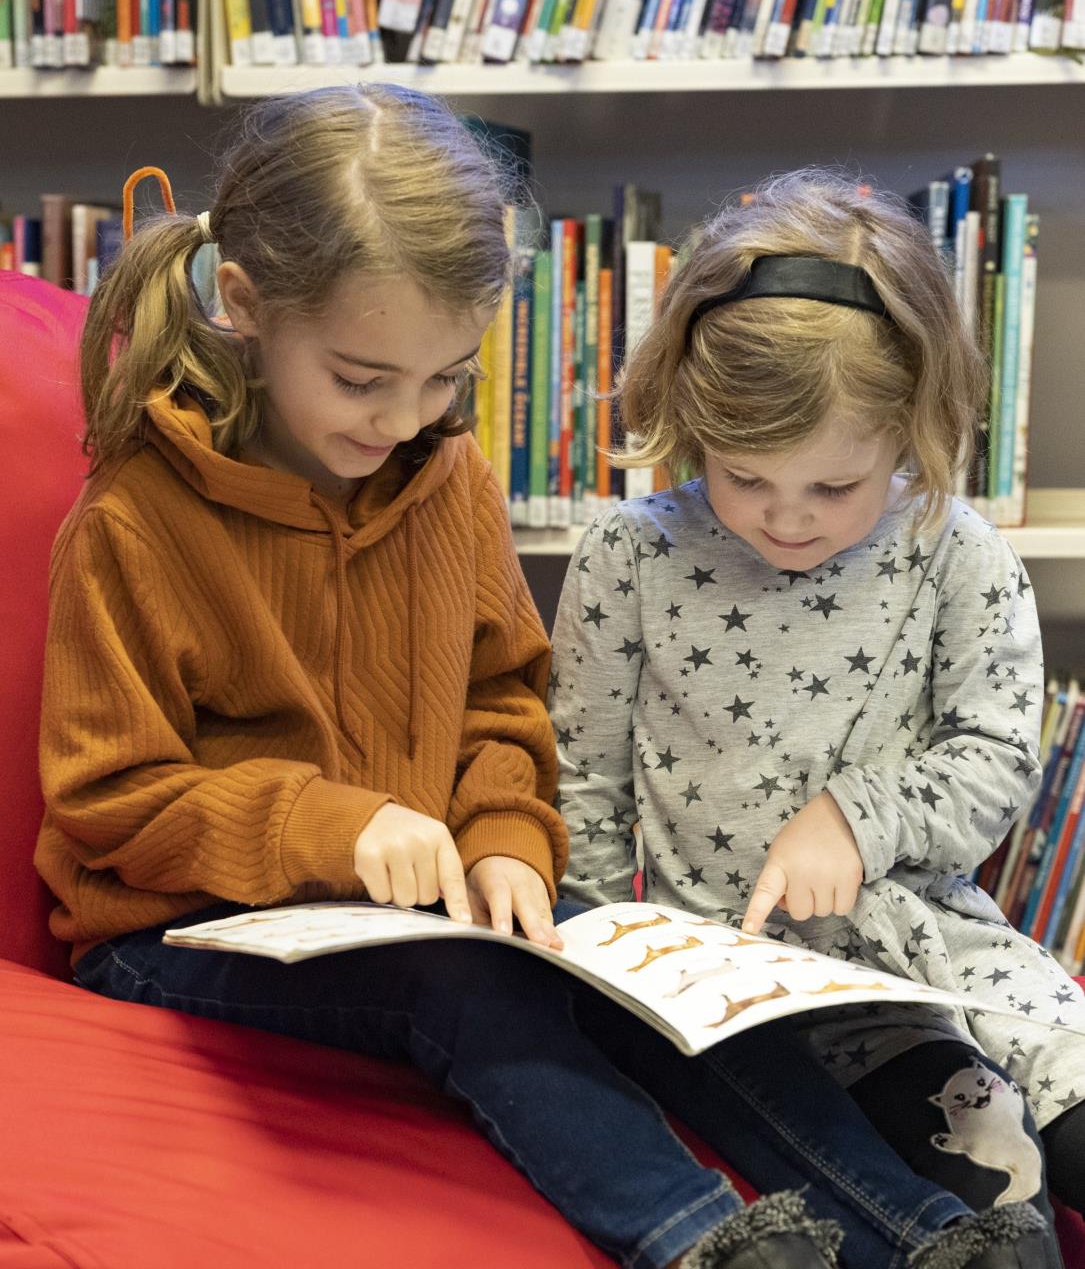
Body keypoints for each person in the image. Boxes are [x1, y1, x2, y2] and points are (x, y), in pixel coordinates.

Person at [37, 86, 1014, 1269]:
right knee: (465, 986)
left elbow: (503, 699)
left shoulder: (445, 483)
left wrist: (504, 829)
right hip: (192, 927)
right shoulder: (136, 518)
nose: (404, 420)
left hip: (410, 902)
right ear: (244, 304)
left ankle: (924, 1235)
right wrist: (335, 826)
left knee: (653, 969)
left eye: (445, 379)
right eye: (360, 379)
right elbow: (110, 796)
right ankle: (701, 1242)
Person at [550, 168, 1085, 1267]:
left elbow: (992, 760)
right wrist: (607, 966)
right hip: (729, 992)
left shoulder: (955, 553)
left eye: (833, 489)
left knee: (1064, 1090)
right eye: (741, 476)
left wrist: (855, 816)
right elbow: (582, 787)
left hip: (930, 961)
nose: (783, 518)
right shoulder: (631, 554)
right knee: (994, 1204)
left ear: (912, 431)